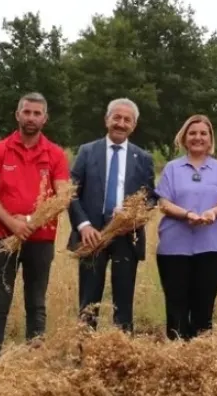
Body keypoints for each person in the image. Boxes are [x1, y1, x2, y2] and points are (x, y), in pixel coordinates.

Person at [0, 92, 70, 360]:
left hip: (40, 239)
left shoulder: (55, 154)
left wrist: (29, 222)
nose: (31, 118)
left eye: (37, 113)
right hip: (2, 238)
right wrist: (11, 222)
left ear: (45, 118)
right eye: (27, 112)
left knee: (36, 303)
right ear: (17, 115)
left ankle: (34, 364)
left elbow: (62, 197)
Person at [67, 97, 156, 334]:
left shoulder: (143, 158)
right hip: (92, 237)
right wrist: (84, 225)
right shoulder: (87, 151)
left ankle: (120, 350)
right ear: (107, 120)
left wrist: (133, 217)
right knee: (88, 302)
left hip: (126, 237)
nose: (121, 123)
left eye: (127, 120)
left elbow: (150, 198)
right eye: (116, 117)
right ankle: (85, 349)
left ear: (133, 126)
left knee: (123, 302)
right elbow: (70, 192)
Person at [153, 115, 217, 341]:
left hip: (211, 247)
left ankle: (200, 354)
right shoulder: (172, 168)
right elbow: (163, 203)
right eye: (193, 133)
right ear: (184, 138)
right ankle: (178, 353)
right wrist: (186, 214)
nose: (198, 137)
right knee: (176, 307)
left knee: (203, 307)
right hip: (174, 248)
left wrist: (212, 213)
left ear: (210, 139)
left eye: (203, 133)